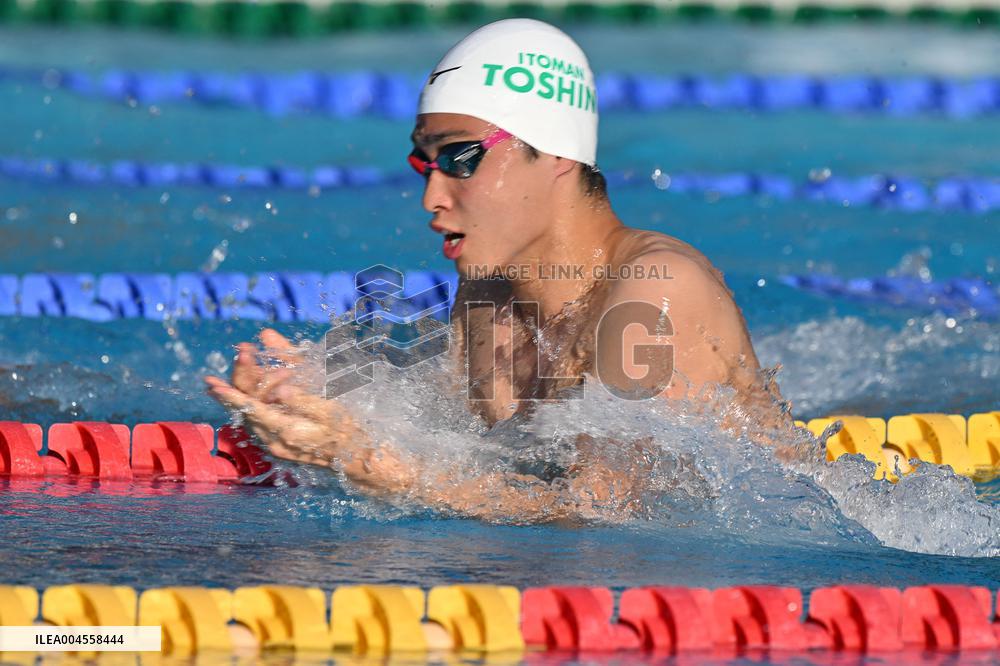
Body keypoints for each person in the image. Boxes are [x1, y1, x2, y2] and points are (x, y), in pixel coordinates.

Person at [204, 19, 853, 522]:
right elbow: (469, 454)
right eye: (424, 164)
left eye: (459, 159)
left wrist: (370, 463)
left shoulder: (655, 293)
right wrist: (313, 398)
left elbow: (603, 517)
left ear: (558, 153)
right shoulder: (488, 296)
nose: (431, 197)